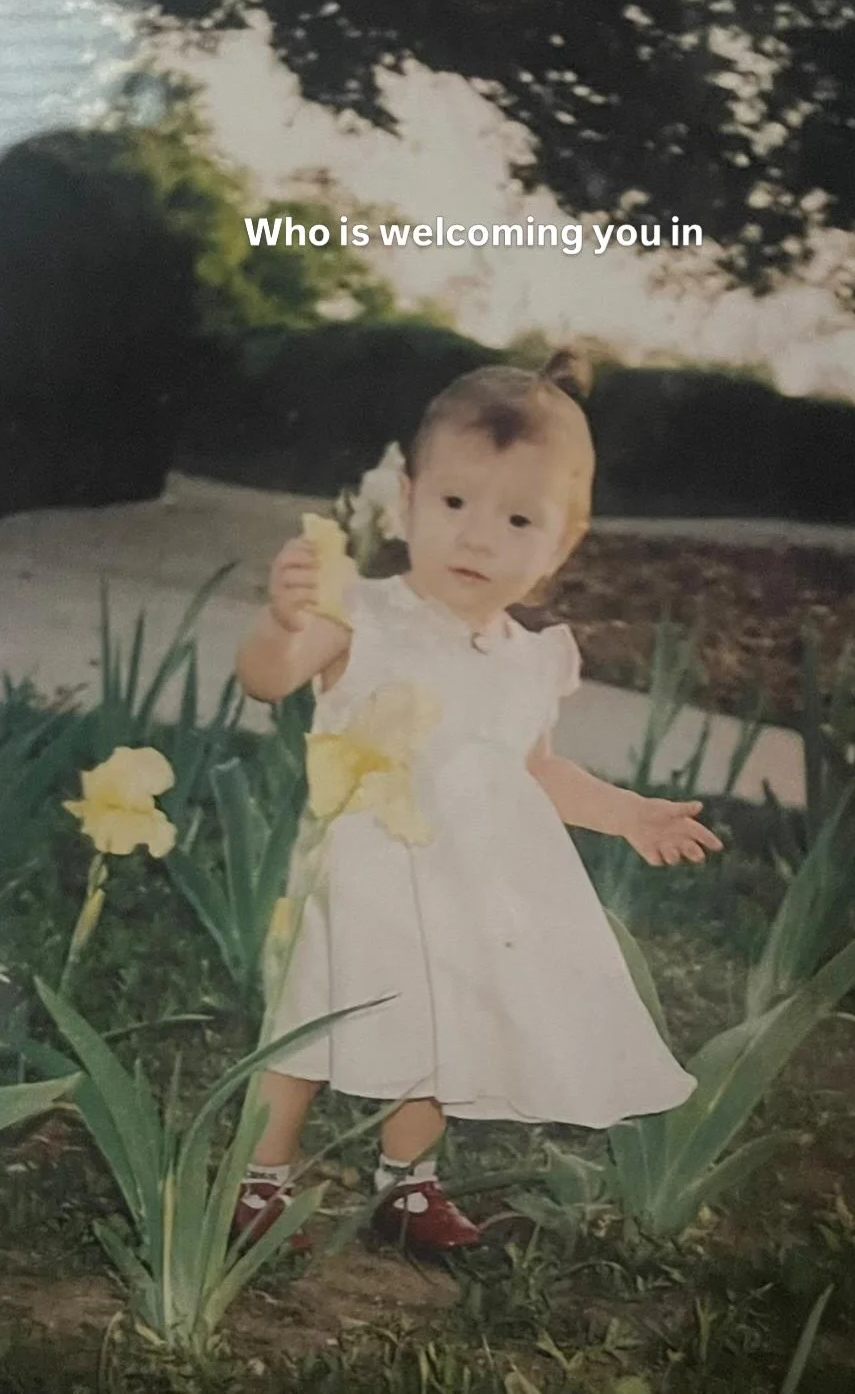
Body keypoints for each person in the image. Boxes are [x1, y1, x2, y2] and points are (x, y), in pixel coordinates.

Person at [233, 350, 722, 1256]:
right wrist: (282, 624)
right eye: (455, 505)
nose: (479, 538)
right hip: (360, 872)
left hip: (466, 885)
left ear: (560, 545)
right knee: (309, 1018)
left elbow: (535, 770)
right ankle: (261, 1174)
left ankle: (406, 1183)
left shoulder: (533, 659)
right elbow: (266, 681)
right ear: (408, 502)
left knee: (439, 1032)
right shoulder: (360, 617)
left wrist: (625, 813)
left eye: (518, 519)